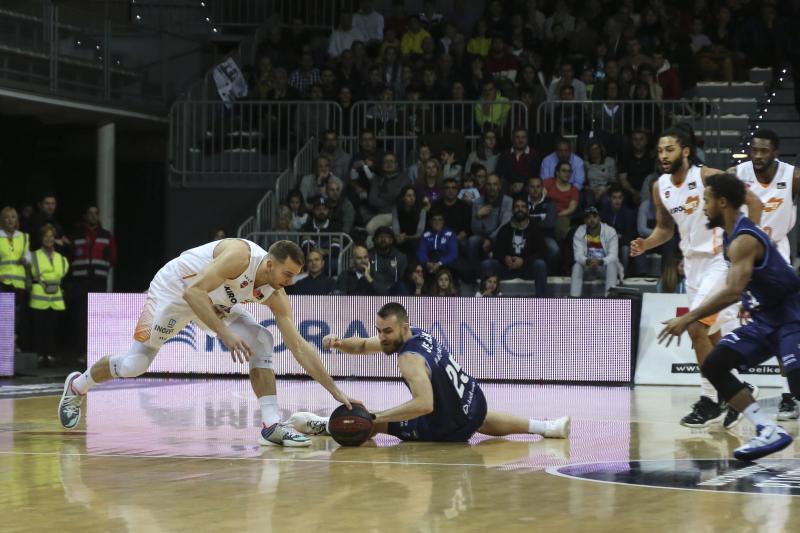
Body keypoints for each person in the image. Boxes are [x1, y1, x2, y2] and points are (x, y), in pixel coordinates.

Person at [57, 239, 358, 447]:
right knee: (135, 365)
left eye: (295, 275)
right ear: (268, 264)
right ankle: (77, 386)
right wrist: (224, 333)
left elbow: (300, 347)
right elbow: (192, 293)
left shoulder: (275, 291)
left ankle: (271, 426)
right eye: (287, 274)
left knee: (262, 339)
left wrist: (336, 391)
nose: (291, 282)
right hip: (176, 290)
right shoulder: (240, 257)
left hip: (212, 300)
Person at [631, 128, 763, 429]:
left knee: (694, 326)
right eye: (660, 150)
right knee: (711, 335)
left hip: (720, 261)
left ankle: (711, 398)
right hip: (692, 266)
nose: (663, 155)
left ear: (686, 151)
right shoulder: (659, 186)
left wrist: (746, 244)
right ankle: (740, 390)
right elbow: (665, 229)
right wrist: (647, 243)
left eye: (670, 149)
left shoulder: (706, 177)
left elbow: (753, 202)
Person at [288, 302, 570, 443]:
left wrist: (375, 416)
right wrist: (339, 343)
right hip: (473, 402)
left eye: (387, 331)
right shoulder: (419, 335)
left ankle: (324, 426)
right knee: (479, 419)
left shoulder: (409, 358)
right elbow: (362, 345)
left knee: (368, 420)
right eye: (379, 331)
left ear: (403, 326)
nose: (383, 337)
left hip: (446, 426)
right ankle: (547, 427)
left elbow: (424, 404)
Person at [658, 174, 794, 461]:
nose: (703, 207)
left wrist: (688, 317)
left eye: (706, 200)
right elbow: (747, 284)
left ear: (722, 202)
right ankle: (767, 429)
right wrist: (750, 301)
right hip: (765, 318)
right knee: (715, 364)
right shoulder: (732, 236)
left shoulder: (743, 239)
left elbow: (731, 291)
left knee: (797, 382)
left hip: (791, 317)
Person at [729, 129, 800, 419]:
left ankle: (789, 395)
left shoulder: (792, 176)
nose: (757, 157)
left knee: (784, 325)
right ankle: (735, 388)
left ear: (775, 152)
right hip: (745, 250)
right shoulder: (736, 173)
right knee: (731, 320)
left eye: (764, 151)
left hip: (777, 251)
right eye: (754, 151)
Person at [70, 205, 117, 359]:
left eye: (95, 213)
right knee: (80, 318)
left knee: (97, 318)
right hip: (80, 282)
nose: (93, 216)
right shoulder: (76, 235)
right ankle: (80, 352)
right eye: (90, 213)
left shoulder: (106, 235)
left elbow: (112, 257)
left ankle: (95, 353)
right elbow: (70, 257)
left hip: (98, 282)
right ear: (85, 215)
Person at [484, 198, 548, 296]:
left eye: (523, 207)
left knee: (540, 264)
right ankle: (486, 299)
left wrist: (524, 261)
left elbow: (542, 252)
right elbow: (497, 251)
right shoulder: (505, 228)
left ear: (527, 210)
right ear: (513, 210)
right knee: (487, 264)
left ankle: (542, 302)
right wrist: (505, 258)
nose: (520, 209)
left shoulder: (535, 228)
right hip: (507, 268)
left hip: (527, 268)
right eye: (517, 207)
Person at [30, 224, 69, 367]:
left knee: (52, 330)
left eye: (51, 236)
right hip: (39, 299)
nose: (49, 239)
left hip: (56, 300)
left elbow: (61, 274)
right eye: (46, 236)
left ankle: (51, 355)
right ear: (41, 238)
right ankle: (40, 356)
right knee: (39, 329)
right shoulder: (34, 256)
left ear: (55, 238)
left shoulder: (61, 258)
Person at [570, 207, 621, 297]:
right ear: (585, 220)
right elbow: (577, 255)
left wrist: (600, 261)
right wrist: (588, 261)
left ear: (599, 218)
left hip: (603, 267)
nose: (592, 220)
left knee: (612, 264)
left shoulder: (610, 231)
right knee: (577, 266)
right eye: (588, 217)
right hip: (587, 266)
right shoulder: (579, 232)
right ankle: (574, 299)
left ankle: (610, 299)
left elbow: (613, 255)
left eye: (594, 216)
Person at [0, 206, 31, 351]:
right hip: (3, 282)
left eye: (13, 217)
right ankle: (5, 344)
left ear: (17, 220)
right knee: (4, 316)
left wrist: (26, 259)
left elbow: (29, 257)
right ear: (2, 220)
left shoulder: (24, 237)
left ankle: (14, 342)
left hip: (19, 283)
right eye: (7, 217)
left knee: (17, 316)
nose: (10, 220)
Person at [369, 226, 408, 295]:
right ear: (375, 240)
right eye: (380, 237)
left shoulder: (400, 257)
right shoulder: (368, 256)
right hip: (373, 292)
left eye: (386, 237)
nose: (383, 239)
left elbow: (402, 278)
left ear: (392, 240)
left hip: (394, 293)